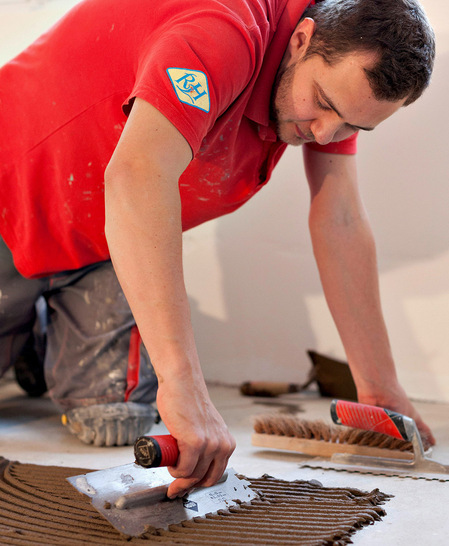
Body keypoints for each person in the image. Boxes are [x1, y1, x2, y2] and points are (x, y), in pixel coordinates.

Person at [0, 0, 435, 498]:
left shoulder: (332, 84)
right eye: (323, 103)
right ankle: (27, 323)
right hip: (12, 197)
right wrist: (183, 383)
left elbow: (340, 219)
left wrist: (379, 387)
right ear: (301, 39)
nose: (325, 134)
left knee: (112, 419)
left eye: (354, 126)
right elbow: (137, 175)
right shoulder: (222, 30)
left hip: (102, 241)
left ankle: (35, 334)